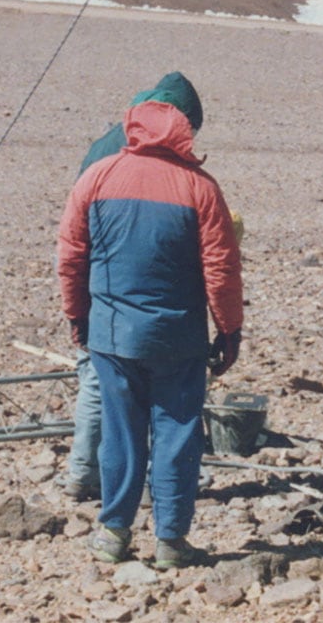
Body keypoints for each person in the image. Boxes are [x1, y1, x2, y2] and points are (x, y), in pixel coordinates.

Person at [56, 72, 242, 569]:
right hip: (178, 339)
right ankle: (171, 541)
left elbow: (72, 255)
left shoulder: (98, 176)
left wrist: (78, 317)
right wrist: (229, 329)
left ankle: (114, 533)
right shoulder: (200, 186)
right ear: (185, 128)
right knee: (177, 437)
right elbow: (221, 268)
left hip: (113, 337)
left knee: (121, 434)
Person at [61, 73, 206, 504]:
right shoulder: (139, 159)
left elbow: (73, 242)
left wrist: (77, 308)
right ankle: (110, 485)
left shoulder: (107, 146)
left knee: (104, 385)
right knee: (123, 395)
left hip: (103, 293)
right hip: (126, 292)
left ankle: (89, 480)